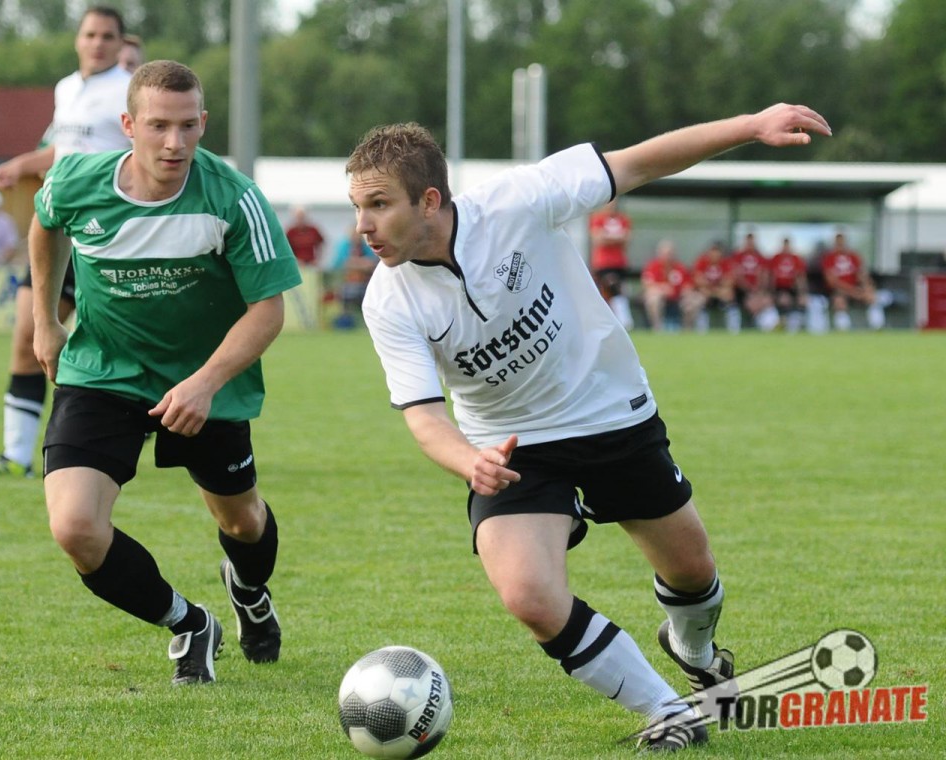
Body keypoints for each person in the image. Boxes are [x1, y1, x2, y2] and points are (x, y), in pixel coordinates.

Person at [347, 102, 830, 750]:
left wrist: (749, 126)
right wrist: (470, 462)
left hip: (609, 413)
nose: (362, 226)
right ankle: (671, 711)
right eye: (356, 207)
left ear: (428, 200)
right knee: (528, 595)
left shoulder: (520, 200)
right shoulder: (387, 298)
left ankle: (694, 650)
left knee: (692, 569)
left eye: (378, 205)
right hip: (512, 447)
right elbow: (425, 417)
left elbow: (639, 162)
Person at [30, 60, 301, 685]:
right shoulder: (74, 178)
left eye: (187, 126)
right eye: (158, 126)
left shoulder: (233, 198)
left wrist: (205, 382)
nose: (174, 143)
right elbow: (45, 227)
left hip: (205, 381)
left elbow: (269, 310)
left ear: (203, 123)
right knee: (75, 527)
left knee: (242, 521)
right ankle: (188, 623)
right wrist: (46, 320)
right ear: (128, 125)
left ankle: (250, 592)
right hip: (102, 372)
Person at [0, 5, 134, 478]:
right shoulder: (67, 88)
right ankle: (16, 454)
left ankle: (114, 442)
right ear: (78, 40)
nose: (98, 42)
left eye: (107, 36)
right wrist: (22, 165)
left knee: (123, 347)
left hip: (107, 235)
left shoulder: (128, 90)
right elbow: (65, 148)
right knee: (28, 337)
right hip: (57, 229)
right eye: (90, 34)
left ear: (121, 44)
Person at [822, 232, 885, 330]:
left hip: (855, 289)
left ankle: (877, 327)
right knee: (839, 300)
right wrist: (851, 291)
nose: (841, 245)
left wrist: (867, 287)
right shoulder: (829, 258)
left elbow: (862, 274)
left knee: (871, 296)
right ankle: (843, 329)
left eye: (842, 243)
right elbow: (832, 281)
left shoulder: (853, 256)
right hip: (839, 291)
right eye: (838, 243)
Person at [588, 199, 635, 329]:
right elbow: (598, 239)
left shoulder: (623, 219)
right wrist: (617, 237)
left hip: (619, 263)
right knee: (609, 287)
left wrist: (608, 237)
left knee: (619, 290)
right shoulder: (597, 218)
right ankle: (621, 320)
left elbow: (627, 238)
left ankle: (621, 321)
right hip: (603, 263)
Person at [641, 240, 701, 332]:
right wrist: (662, 289)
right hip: (661, 298)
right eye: (665, 253)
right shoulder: (652, 266)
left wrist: (685, 292)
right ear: (659, 254)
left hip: (678, 298)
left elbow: (688, 286)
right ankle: (657, 329)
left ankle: (687, 330)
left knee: (695, 300)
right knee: (653, 299)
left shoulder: (680, 267)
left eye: (670, 253)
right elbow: (647, 284)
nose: (668, 256)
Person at [729, 232, 780, 331]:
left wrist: (759, 291)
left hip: (757, 290)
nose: (750, 244)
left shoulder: (760, 257)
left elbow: (764, 275)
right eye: (748, 242)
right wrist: (749, 289)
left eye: (752, 242)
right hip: (742, 291)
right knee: (752, 303)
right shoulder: (738, 256)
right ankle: (761, 325)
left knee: (767, 300)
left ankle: (772, 325)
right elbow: (737, 275)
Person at [691, 241, 741, 333]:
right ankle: (701, 329)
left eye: (717, 251)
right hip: (708, 292)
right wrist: (712, 287)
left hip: (720, 291)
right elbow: (698, 279)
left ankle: (734, 328)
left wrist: (715, 288)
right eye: (712, 251)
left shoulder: (726, 262)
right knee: (702, 294)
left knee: (729, 294)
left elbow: (729, 280)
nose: (715, 254)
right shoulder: (702, 261)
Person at [768, 237, 809, 332]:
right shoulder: (776, 258)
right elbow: (771, 277)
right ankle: (783, 322)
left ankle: (800, 324)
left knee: (803, 300)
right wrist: (771, 292)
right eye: (784, 245)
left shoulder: (796, 259)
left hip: (792, 288)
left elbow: (801, 277)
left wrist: (802, 292)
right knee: (784, 300)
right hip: (780, 288)